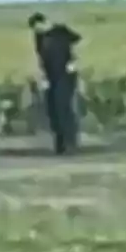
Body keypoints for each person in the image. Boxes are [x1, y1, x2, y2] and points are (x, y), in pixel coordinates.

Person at [29, 12, 83, 154]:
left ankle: (70, 142)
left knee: (63, 107)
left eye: (38, 26)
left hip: (66, 74)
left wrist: (72, 60)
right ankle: (60, 143)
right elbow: (41, 58)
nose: (37, 30)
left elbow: (76, 40)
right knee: (52, 110)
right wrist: (43, 77)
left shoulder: (60, 31)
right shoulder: (39, 38)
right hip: (51, 76)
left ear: (44, 22)